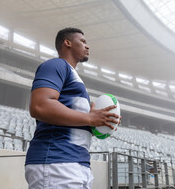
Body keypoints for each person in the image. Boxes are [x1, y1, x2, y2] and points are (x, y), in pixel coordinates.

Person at [25, 27, 119, 189]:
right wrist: (90, 118)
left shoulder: (74, 77)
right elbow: (40, 106)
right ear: (67, 43)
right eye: (82, 41)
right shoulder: (56, 65)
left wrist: (101, 122)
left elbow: (74, 123)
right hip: (57, 162)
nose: (87, 46)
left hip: (76, 164)